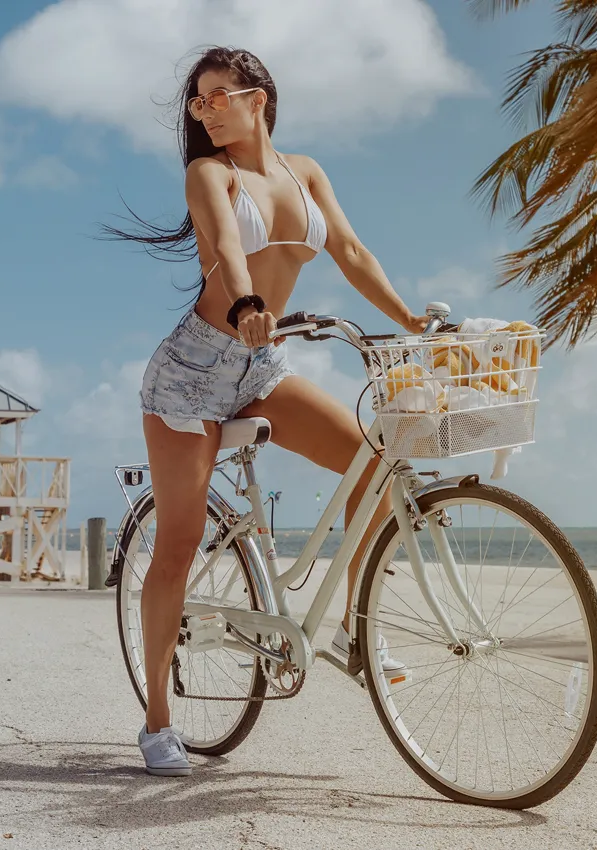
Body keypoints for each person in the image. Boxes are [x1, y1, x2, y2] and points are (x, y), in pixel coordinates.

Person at [106, 47, 428, 777]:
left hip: (261, 367)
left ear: (258, 99)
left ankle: (353, 627)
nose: (205, 112)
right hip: (191, 376)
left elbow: (350, 250)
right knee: (179, 545)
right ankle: (158, 720)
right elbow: (225, 245)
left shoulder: (305, 171)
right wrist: (248, 302)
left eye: (216, 96)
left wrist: (410, 320)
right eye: (198, 102)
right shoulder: (208, 173)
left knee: (374, 465)